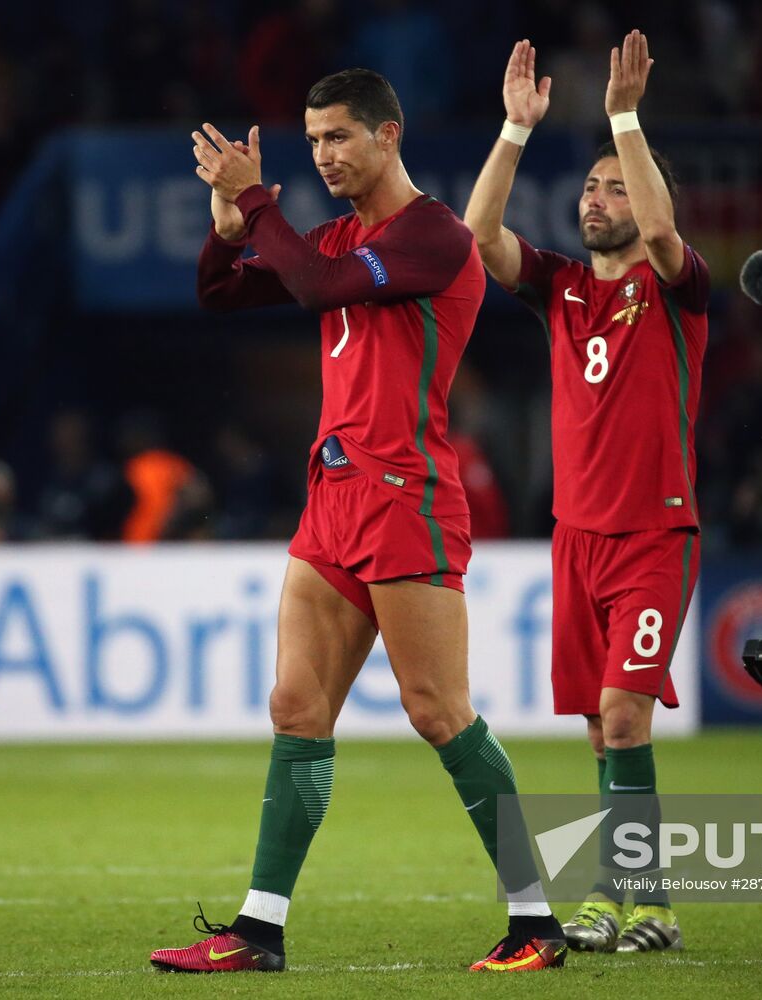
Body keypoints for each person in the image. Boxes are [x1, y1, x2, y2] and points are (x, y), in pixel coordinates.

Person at [149, 68, 565, 974]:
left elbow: (314, 286)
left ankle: (535, 921)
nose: (325, 156)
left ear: (388, 134)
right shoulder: (339, 236)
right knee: (296, 708)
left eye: (339, 137)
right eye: (312, 142)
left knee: (437, 710)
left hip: (405, 494)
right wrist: (228, 230)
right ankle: (257, 932)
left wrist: (257, 201)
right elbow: (226, 295)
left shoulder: (435, 236)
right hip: (333, 498)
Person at [465, 32, 709, 953]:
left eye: (616, 185)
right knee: (602, 735)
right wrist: (514, 131)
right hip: (578, 538)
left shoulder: (680, 291)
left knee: (622, 714)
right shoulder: (561, 289)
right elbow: (480, 235)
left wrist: (624, 118)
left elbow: (659, 230)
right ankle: (615, 897)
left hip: (655, 536)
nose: (597, 199)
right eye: (592, 186)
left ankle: (653, 906)